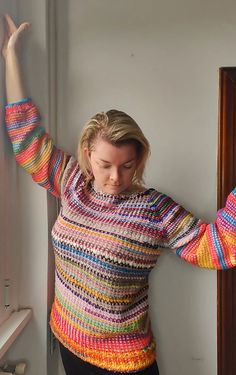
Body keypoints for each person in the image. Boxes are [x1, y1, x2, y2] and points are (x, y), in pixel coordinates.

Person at [2, 14, 236, 375]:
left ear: (139, 158)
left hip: (123, 363)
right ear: (87, 154)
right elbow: (26, 139)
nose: (115, 177)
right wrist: (11, 57)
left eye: (127, 165)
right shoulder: (71, 182)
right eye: (105, 164)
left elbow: (217, 246)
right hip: (67, 343)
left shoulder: (154, 209)